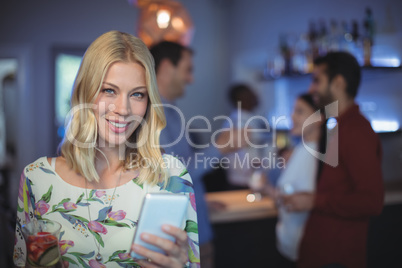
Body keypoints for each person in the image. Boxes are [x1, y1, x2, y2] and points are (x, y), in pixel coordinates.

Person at [13, 31, 199, 268]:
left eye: (137, 94)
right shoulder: (36, 178)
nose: (123, 109)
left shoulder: (171, 176)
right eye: (109, 90)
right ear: (85, 92)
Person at [282, 51, 384, 268]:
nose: (311, 89)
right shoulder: (336, 127)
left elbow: (371, 201)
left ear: (338, 83)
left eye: (317, 80)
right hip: (321, 252)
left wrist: (314, 200)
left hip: (337, 256)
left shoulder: (357, 131)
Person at [150, 41, 245, 268]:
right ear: (165, 67)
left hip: (194, 225)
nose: (190, 79)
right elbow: (170, 175)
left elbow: (185, 167)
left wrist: (200, 202)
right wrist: (219, 148)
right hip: (180, 236)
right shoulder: (153, 114)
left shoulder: (171, 111)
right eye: (187, 70)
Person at [273, 93, 321, 268]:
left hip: (305, 251)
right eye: (294, 111)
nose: (293, 116)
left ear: (319, 119)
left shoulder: (315, 154)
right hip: (292, 247)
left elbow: (301, 200)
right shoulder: (302, 150)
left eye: (300, 111)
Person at [224, 83, 266, 190]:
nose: (256, 96)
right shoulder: (239, 123)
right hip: (245, 183)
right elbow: (248, 158)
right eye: (251, 93)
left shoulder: (244, 119)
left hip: (244, 180)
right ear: (242, 98)